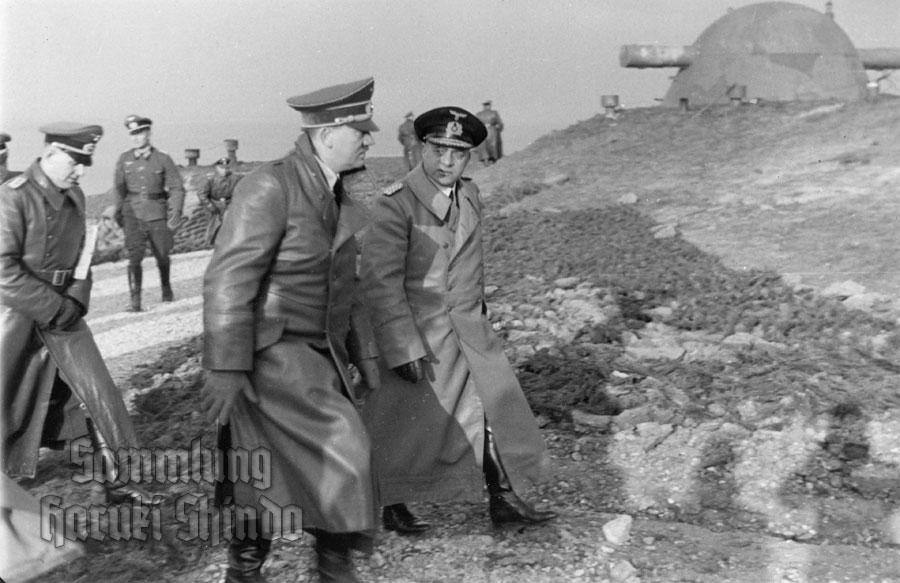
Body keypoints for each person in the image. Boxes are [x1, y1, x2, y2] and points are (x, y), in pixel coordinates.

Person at [200, 77, 382, 583]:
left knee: (265, 465)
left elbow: (348, 287)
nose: (369, 140)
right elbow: (228, 280)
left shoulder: (334, 190)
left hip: (317, 353)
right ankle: (322, 568)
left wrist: (364, 356)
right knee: (344, 451)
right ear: (326, 134)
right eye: (361, 131)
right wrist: (226, 366)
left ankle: (264, 568)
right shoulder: (270, 186)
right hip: (273, 352)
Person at [360, 107, 557, 535]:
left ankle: (503, 499)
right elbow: (379, 281)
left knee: (492, 410)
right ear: (422, 148)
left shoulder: (469, 194)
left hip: (468, 329)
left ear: (469, 156)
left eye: (459, 153)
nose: (447, 162)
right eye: (439, 150)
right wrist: (400, 345)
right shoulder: (396, 202)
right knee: (401, 423)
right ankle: (392, 503)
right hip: (419, 333)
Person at [1, 123, 152, 505]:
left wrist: (76, 300)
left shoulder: (75, 196)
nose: (81, 171)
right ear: (51, 153)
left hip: (65, 314)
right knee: (7, 404)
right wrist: (52, 307)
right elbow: (2, 268)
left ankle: (119, 481)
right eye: (75, 162)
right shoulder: (12, 198)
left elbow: (84, 257)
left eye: (86, 163)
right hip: (15, 316)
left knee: (96, 393)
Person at [113, 115, 185, 312]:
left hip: (157, 212)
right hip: (132, 213)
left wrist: (175, 211)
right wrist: (118, 213)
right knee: (134, 256)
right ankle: (135, 301)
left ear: (148, 133)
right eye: (132, 134)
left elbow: (177, 188)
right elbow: (119, 189)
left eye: (139, 133)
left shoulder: (163, 159)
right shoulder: (124, 159)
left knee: (162, 254)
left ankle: (166, 290)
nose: (135, 138)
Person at [196, 157, 242, 246]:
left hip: (230, 204)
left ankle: (231, 244)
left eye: (226, 168)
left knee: (231, 225)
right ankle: (213, 244)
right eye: (222, 168)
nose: (224, 170)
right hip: (215, 204)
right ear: (217, 168)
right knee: (214, 227)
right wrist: (210, 206)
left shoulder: (236, 178)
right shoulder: (210, 179)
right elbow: (202, 194)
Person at [475, 100, 504, 165]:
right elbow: (500, 123)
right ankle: (493, 160)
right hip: (492, 130)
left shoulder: (478, 114)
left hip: (482, 131)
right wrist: (498, 130)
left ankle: (486, 160)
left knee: (483, 146)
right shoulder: (494, 113)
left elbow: (475, 124)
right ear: (489, 105)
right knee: (493, 146)